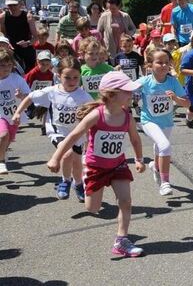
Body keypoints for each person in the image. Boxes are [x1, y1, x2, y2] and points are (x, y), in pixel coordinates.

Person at [47, 71, 146, 258]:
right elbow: (74, 135)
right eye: (127, 91)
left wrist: (139, 160)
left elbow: (135, 139)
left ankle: (121, 240)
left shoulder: (127, 116)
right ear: (112, 94)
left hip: (118, 165)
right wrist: (56, 157)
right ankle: (83, 183)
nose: (131, 94)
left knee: (125, 201)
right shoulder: (96, 115)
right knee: (92, 208)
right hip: (96, 167)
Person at [13, 56, 92, 200]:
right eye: (67, 77)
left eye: (75, 77)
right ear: (58, 75)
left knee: (77, 161)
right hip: (58, 131)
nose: (72, 81)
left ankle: (78, 183)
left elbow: (94, 112)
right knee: (67, 154)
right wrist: (18, 112)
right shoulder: (52, 91)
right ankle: (65, 181)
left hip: (76, 133)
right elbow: (30, 97)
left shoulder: (83, 95)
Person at [136, 49, 190, 196]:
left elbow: (187, 103)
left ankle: (155, 167)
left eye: (167, 62)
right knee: (165, 146)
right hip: (148, 121)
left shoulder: (172, 82)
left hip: (166, 122)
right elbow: (126, 90)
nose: (164, 65)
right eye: (159, 62)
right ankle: (165, 183)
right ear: (149, 65)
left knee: (160, 147)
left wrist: (176, 99)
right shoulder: (145, 82)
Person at [0, 50, 30, 174]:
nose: (6, 68)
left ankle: (2, 154)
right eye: (2, 65)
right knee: (3, 136)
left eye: (9, 65)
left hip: (14, 115)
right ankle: (1, 162)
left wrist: (21, 95)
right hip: (0, 114)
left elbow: (29, 97)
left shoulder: (16, 79)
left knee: (7, 140)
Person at [0, 0, 38, 71]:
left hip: (26, 47)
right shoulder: (3, 17)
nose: (12, 7)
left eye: (14, 4)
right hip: (10, 49)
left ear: (20, 4)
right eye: (10, 5)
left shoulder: (28, 17)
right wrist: (7, 44)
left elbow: (35, 37)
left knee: (29, 71)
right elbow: (3, 34)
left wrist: (28, 43)